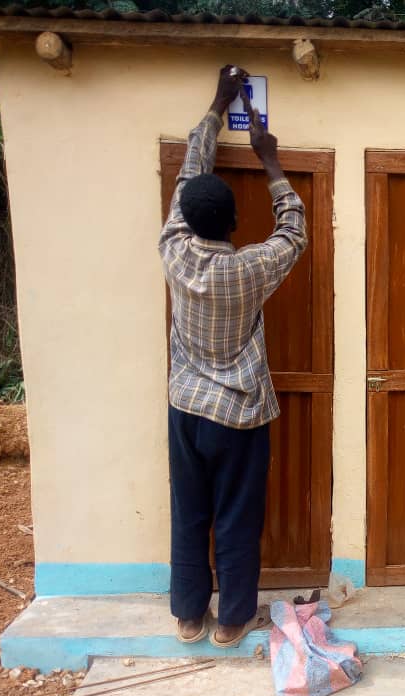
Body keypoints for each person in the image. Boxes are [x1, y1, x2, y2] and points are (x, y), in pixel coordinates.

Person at [159, 65, 308, 648]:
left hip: (187, 410)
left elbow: (189, 173)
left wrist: (217, 106)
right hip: (240, 417)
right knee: (236, 517)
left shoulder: (173, 249)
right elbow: (293, 231)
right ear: (235, 223)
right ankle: (232, 620)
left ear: (187, 221)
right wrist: (269, 160)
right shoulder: (249, 269)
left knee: (189, 512)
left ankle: (189, 615)